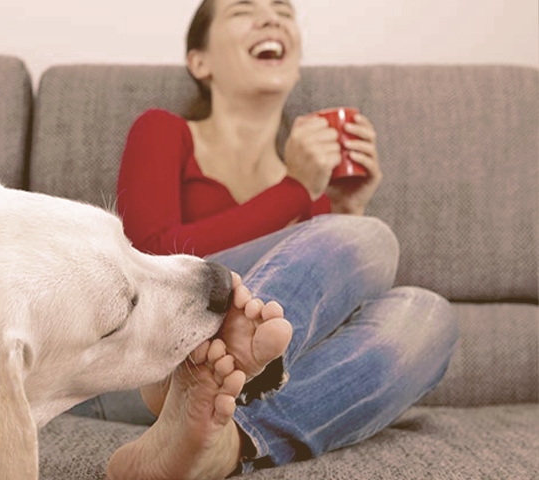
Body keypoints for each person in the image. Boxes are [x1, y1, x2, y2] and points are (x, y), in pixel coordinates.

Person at [72, 1, 459, 478]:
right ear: (200, 61)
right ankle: (189, 371)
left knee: (428, 314)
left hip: (222, 395)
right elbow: (148, 255)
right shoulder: (162, 131)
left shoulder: (315, 200)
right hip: (137, 363)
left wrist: (342, 205)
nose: (272, 18)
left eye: (283, 11)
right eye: (242, 10)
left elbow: (322, 322)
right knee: (370, 238)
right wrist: (296, 192)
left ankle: (232, 438)